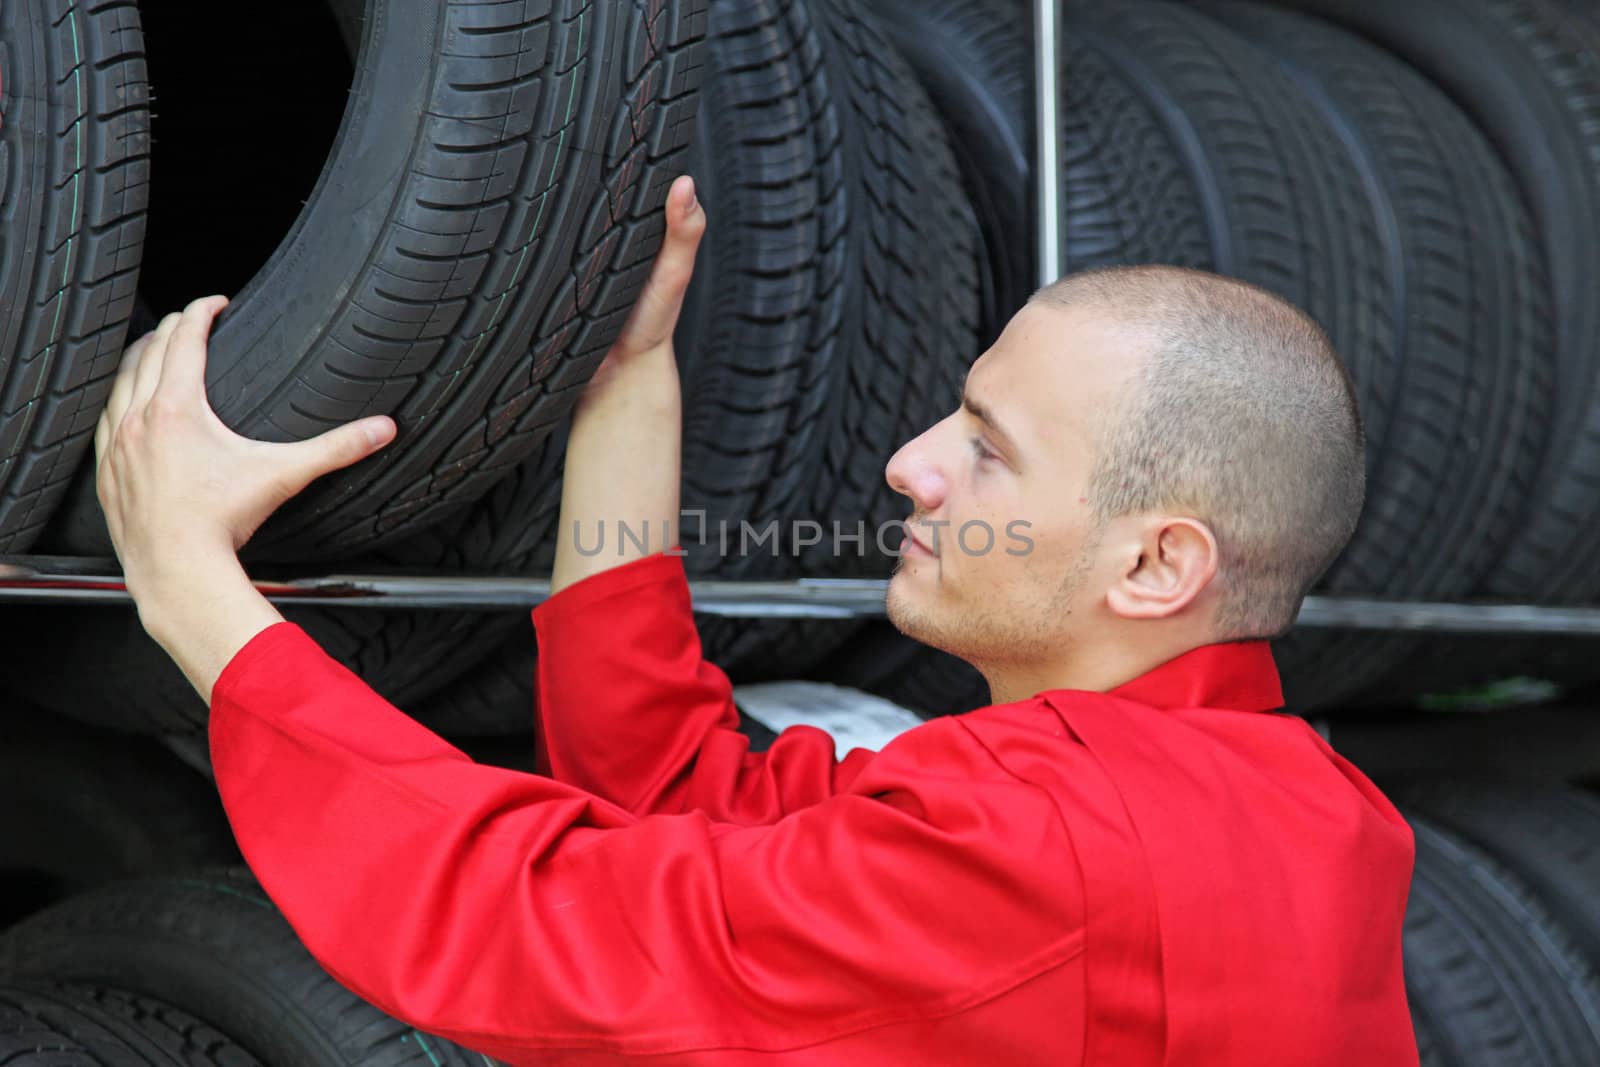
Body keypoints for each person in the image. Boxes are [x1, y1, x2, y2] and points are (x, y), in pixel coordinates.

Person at [95, 174, 1418, 1064]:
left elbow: (539, 924)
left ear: (1155, 567)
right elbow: (683, 797)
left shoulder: (1046, 848)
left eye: (990, 450)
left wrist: (189, 584)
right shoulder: (1313, 813)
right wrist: (627, 381)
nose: (911, 464)